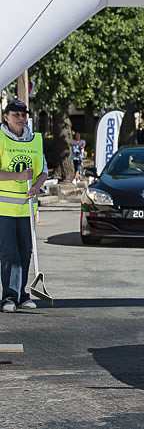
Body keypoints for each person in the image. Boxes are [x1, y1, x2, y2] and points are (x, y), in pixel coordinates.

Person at [0, 101, 48, 313]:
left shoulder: (35, 140)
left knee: (26, 252)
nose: (21, 117)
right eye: (16, 114)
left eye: (23, 114)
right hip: (4, 209)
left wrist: (37, 185)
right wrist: (18, 176)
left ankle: (21, 294)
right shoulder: (0, 139)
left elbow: (43, 170)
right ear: (5, 117)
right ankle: (8, 297)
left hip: (27, 209)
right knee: (10, 254)